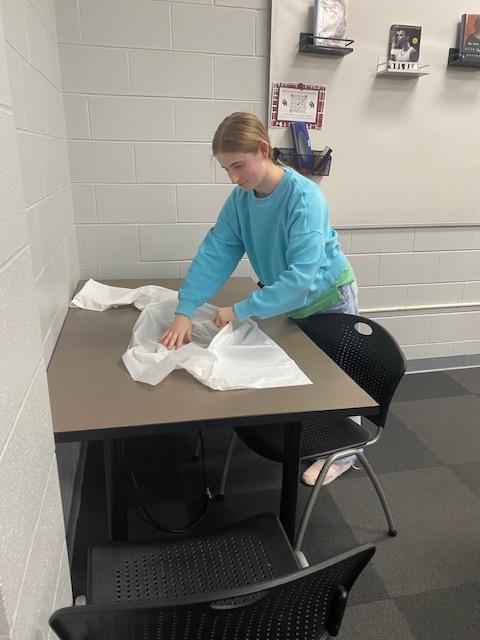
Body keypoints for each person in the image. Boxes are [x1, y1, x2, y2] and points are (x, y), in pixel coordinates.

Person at [158, 112, 358, 487]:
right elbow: (216, 252)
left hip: (327, 297)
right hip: (287, 299)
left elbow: (301, 278)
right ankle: (309, 431)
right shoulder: (241, 200)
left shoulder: (305, 198)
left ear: (263, 150)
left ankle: (344, 454)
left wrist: (241, 309)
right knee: (302, 371)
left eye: (238, 165)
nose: (233, 178)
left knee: (338, 379)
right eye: (226, 169)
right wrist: (185, 309)